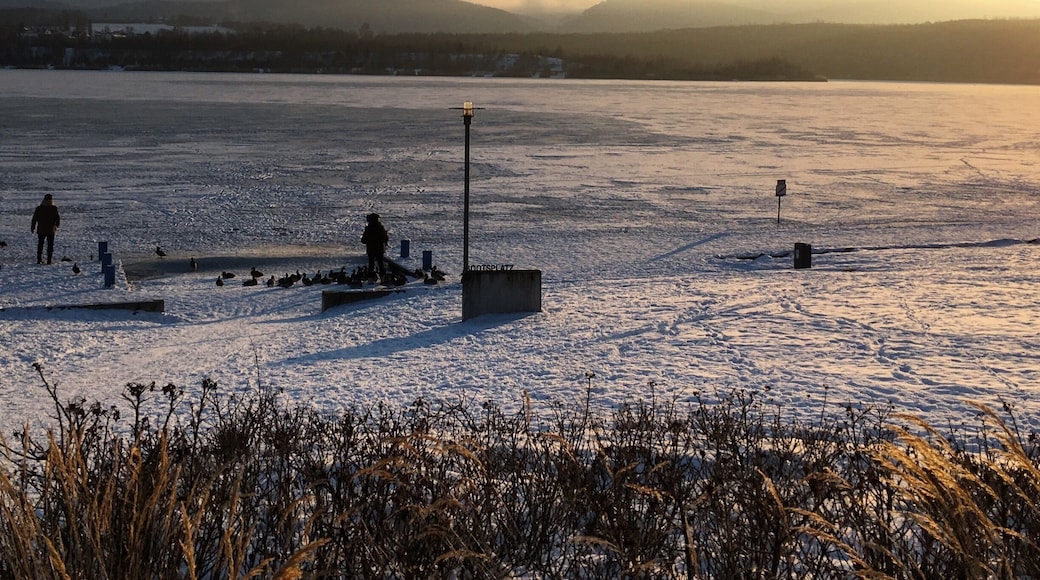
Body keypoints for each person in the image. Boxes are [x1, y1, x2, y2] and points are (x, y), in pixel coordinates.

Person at [30, 193, 60, 265]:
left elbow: (34, 219)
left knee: (40, 245)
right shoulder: (54, 208)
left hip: (41, 229)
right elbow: (57, 218)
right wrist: (57, 225)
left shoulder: (39, 208)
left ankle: (39, 259)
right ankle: (49, 260)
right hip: (51, 230)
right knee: (50, 246)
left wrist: (32, 227)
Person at [361, 212, 389, 281]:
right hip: (379, 249)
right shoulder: (380, 228)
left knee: (371, 264)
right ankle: (383, 278)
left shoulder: (368, 229)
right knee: (380, 264)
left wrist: (370, 241)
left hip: (371, 249)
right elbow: (385, 238)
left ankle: (370, 278)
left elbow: (363, 240)